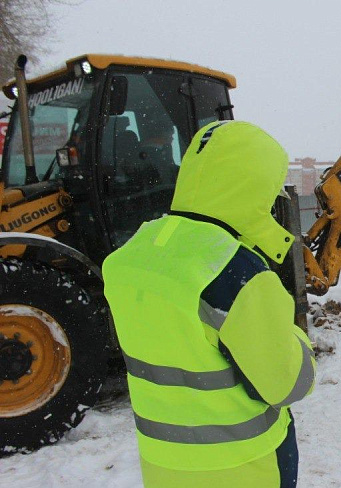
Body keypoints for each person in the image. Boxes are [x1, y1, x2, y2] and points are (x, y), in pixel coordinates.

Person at [103, 120, 316, 487]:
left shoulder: (131, 255)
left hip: (163, 467)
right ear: (256, 186)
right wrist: (299, 342)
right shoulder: (238, 272)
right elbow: (287, 385)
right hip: (245, 468)